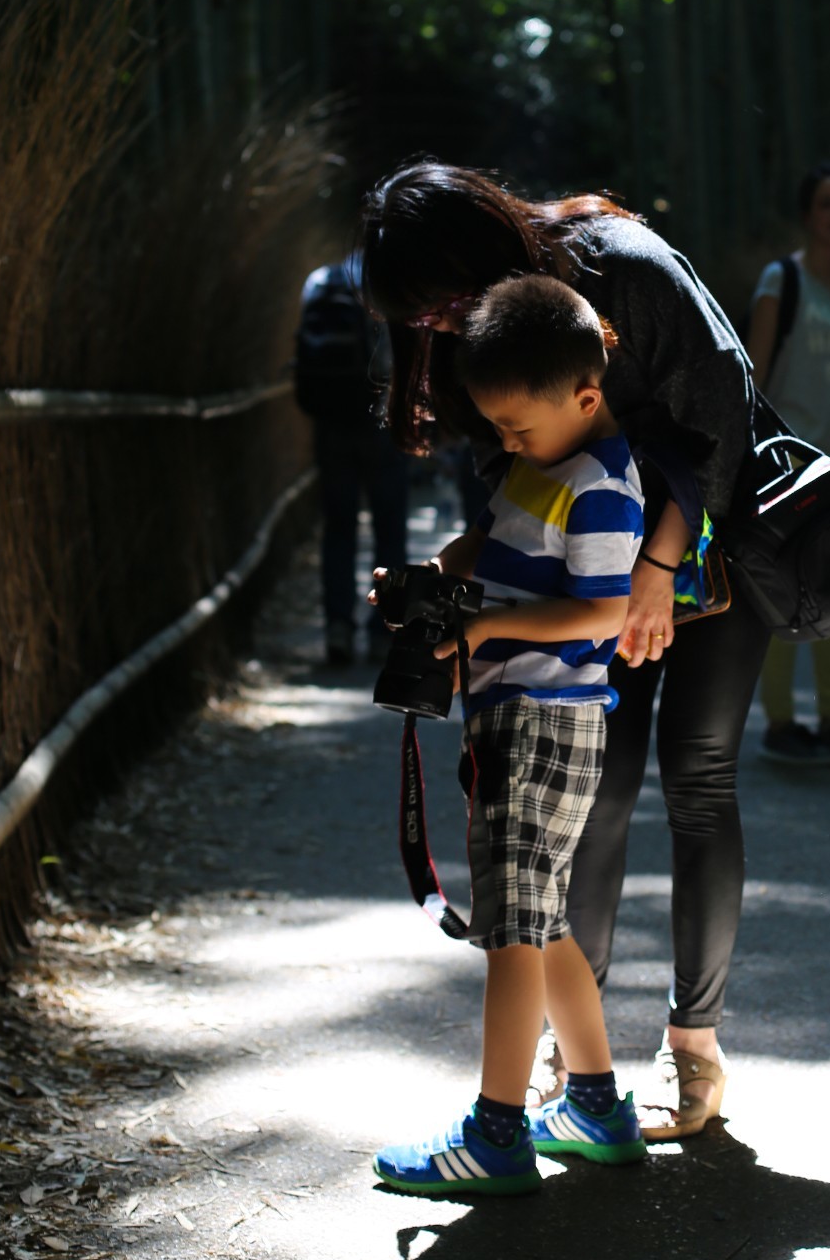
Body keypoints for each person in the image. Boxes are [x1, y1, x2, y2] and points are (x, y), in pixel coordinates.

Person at [360, 161, 768, 1142]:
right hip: (590, 586)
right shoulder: (481, 339)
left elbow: (726, 409)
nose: (440, 329)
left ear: (481, 253)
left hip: (708, 545)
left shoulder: (621, 263)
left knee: (699, 779)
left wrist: (657, 566)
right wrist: (453, 585)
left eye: (444, 304)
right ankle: (582, 1076)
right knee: (598, 797)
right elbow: (514, 489)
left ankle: (692, 1048)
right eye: (422, 321)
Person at [372, 275, 647, 1197]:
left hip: (544, 722)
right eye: (495, 428)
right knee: (543, 918)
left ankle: (497, 1132)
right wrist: (434, 580)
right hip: (513, 720)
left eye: (518, 427)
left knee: (509, 933)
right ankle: (598, 1105)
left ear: (584, 394)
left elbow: (606, 609)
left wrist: (487, 631)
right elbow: (486, 551)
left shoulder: (602, 483)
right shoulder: (540, 463)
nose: (505, 441)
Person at [745, 162, 830, 765]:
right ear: (808, 215)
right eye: (827, 203)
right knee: (788, 590)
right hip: (799, 465)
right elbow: (752, 371)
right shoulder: (782, 280)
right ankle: (780, 720)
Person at [295, 258, 409, 664]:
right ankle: (384, 631)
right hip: (380, 421)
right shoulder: (387, 278)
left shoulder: (320, 281)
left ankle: (337, 628)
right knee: (389, 530)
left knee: (339, 528)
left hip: (331, 425)